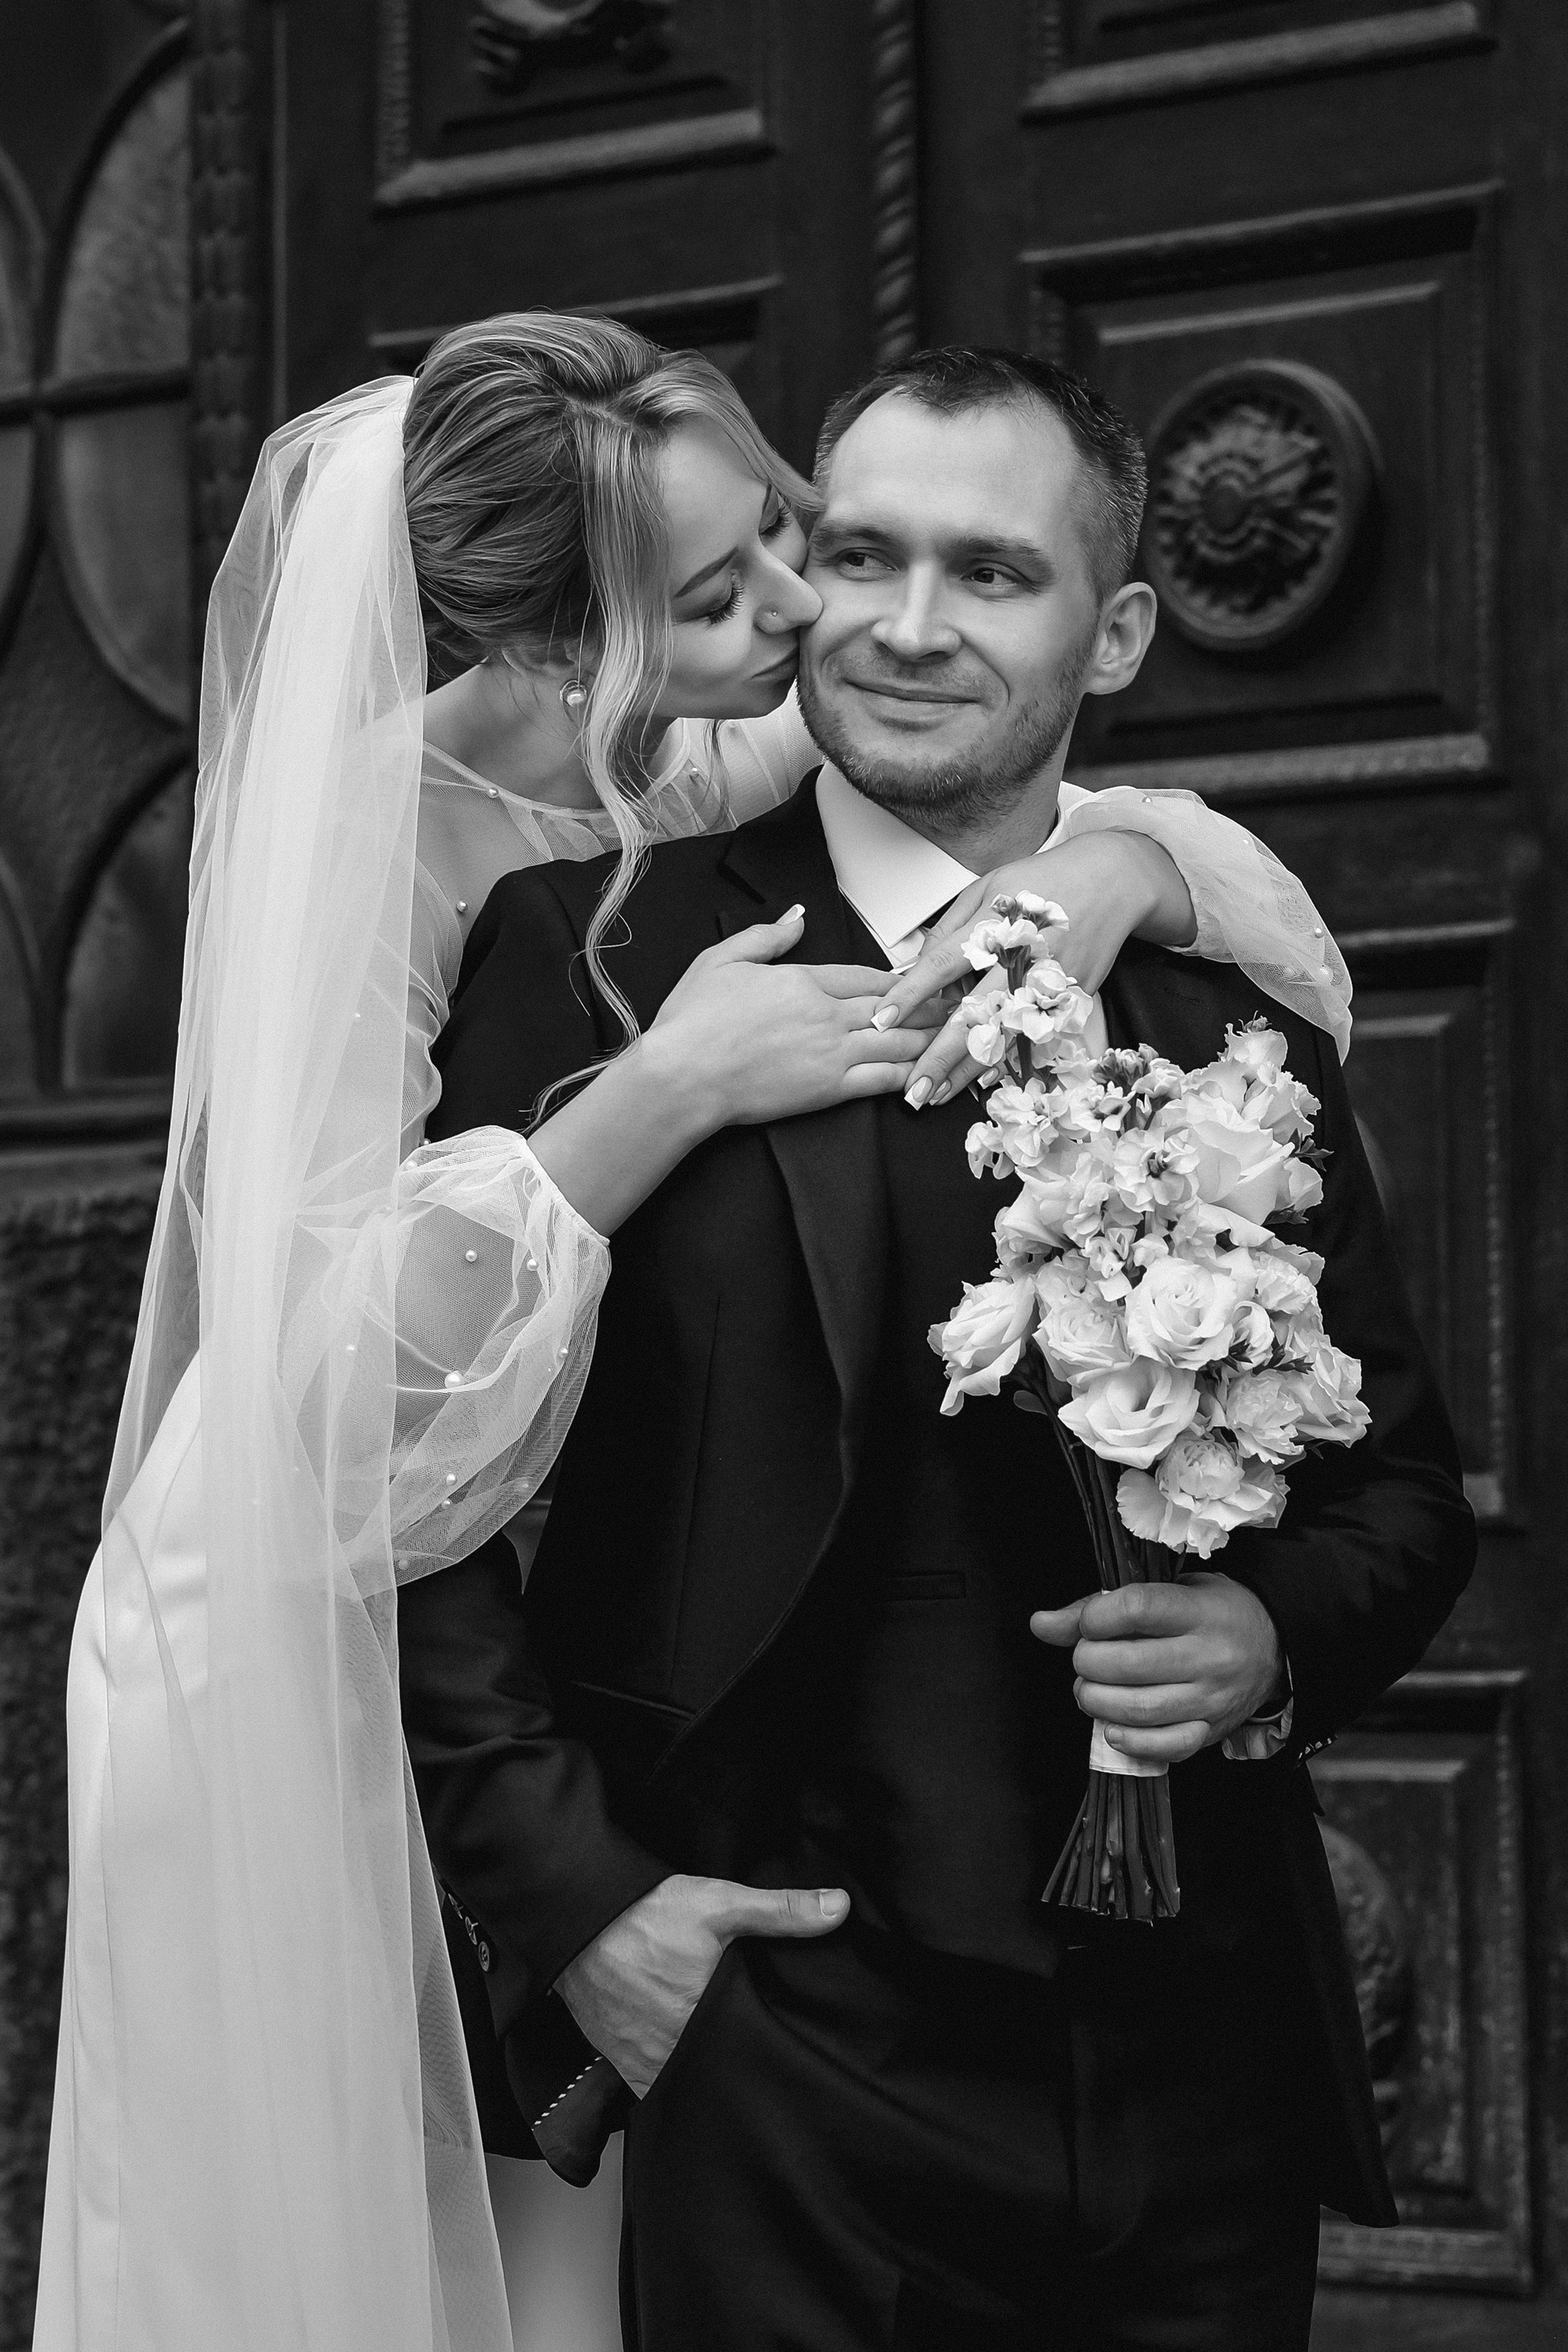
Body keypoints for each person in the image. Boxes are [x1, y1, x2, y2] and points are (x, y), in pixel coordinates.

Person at [35, 315, 1355, 2352]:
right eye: (718, 595)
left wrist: (1118, 860)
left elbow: (1176, 858)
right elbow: (344, 1394)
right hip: (299, 1555)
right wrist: (667, 1088)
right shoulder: (376, 839)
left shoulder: (733, 716)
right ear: (566, 655)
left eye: (781, 535)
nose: (804, 613)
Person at [403, 346, 1477, 2351]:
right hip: (773, 2046)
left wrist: (1269, 1642)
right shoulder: (591, 956)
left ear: (1117, 632)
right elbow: (410, 1476)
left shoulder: (1227, 1003)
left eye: (989, 573)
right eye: (860, 554)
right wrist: (582, 1909)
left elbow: (1403, 1500)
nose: (903, 626)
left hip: (1197, 2070)